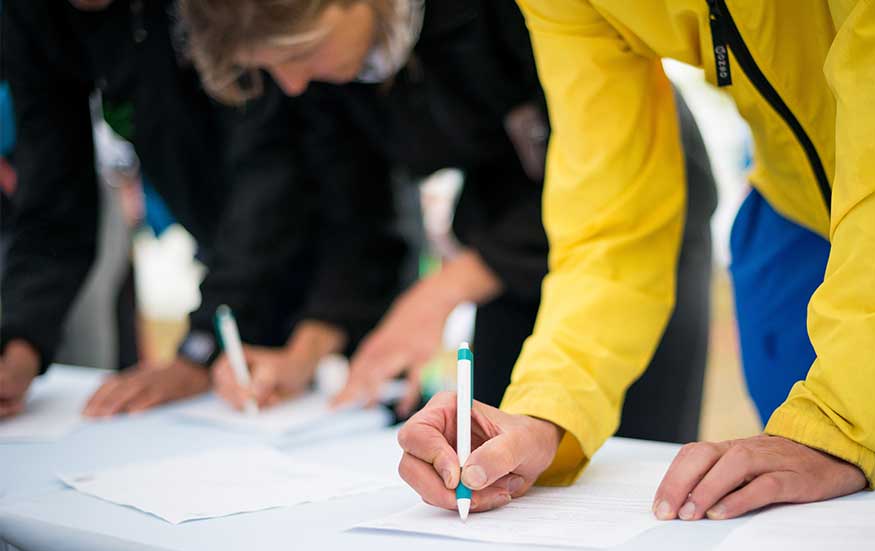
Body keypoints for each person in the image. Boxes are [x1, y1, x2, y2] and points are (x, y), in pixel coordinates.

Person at [393, 0, 875, 517]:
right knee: (823, 533)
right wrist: (541, 411)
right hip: (795, 215)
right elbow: (612, 217)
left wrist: (837, 424)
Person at [181, 0, 718, 444]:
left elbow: (613, 178)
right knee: (492, 450)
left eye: (300, 52)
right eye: (270, 67)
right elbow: (360, 211)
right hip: (504, 243)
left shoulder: (511, 13)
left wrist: (443, 291)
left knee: (629, 461)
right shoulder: (326, 74)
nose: (292, 83)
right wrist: (308, 349)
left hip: (641, 219)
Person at [0, 0, 403, 418]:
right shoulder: (33, 16)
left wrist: (201, 346)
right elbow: (50, 184)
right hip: (234, 258)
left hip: (345, 242)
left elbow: (271, 171)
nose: (292, 81)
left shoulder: (234, 29)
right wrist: (23, 336)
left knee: (374, 403)